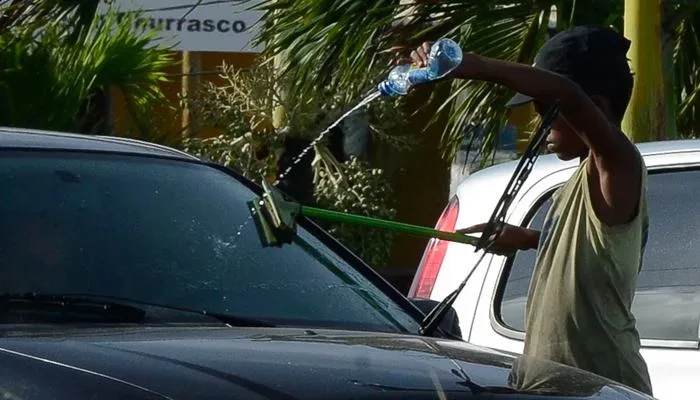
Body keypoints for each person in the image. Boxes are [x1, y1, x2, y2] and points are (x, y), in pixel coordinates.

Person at [404, 25, 652, 395]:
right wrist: (530, 239)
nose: (540, 125)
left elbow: (566, 93)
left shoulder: (617, 166)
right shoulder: (579, 181)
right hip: (556, 386)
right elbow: (595, 252)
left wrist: (472, 66)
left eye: (545, 110)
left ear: (594, 108)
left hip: (602, 387)